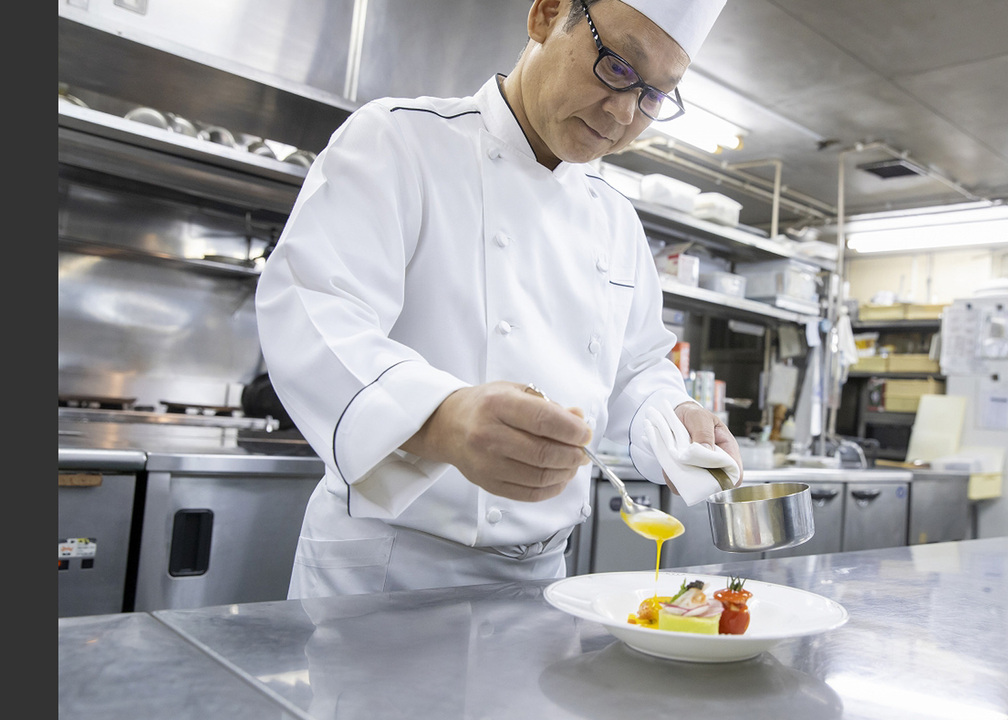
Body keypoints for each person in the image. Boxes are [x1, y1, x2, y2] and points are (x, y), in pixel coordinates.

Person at [255, 0, 741, 598]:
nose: (623, 113)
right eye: (616, 66)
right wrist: (440, 419)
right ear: (545, 15)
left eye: (653, 96)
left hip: (543, 583)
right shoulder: (399, 140)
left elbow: (637, 368)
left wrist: (673, 422)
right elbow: (314, 310)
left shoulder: (616, 219)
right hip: (388, 572)